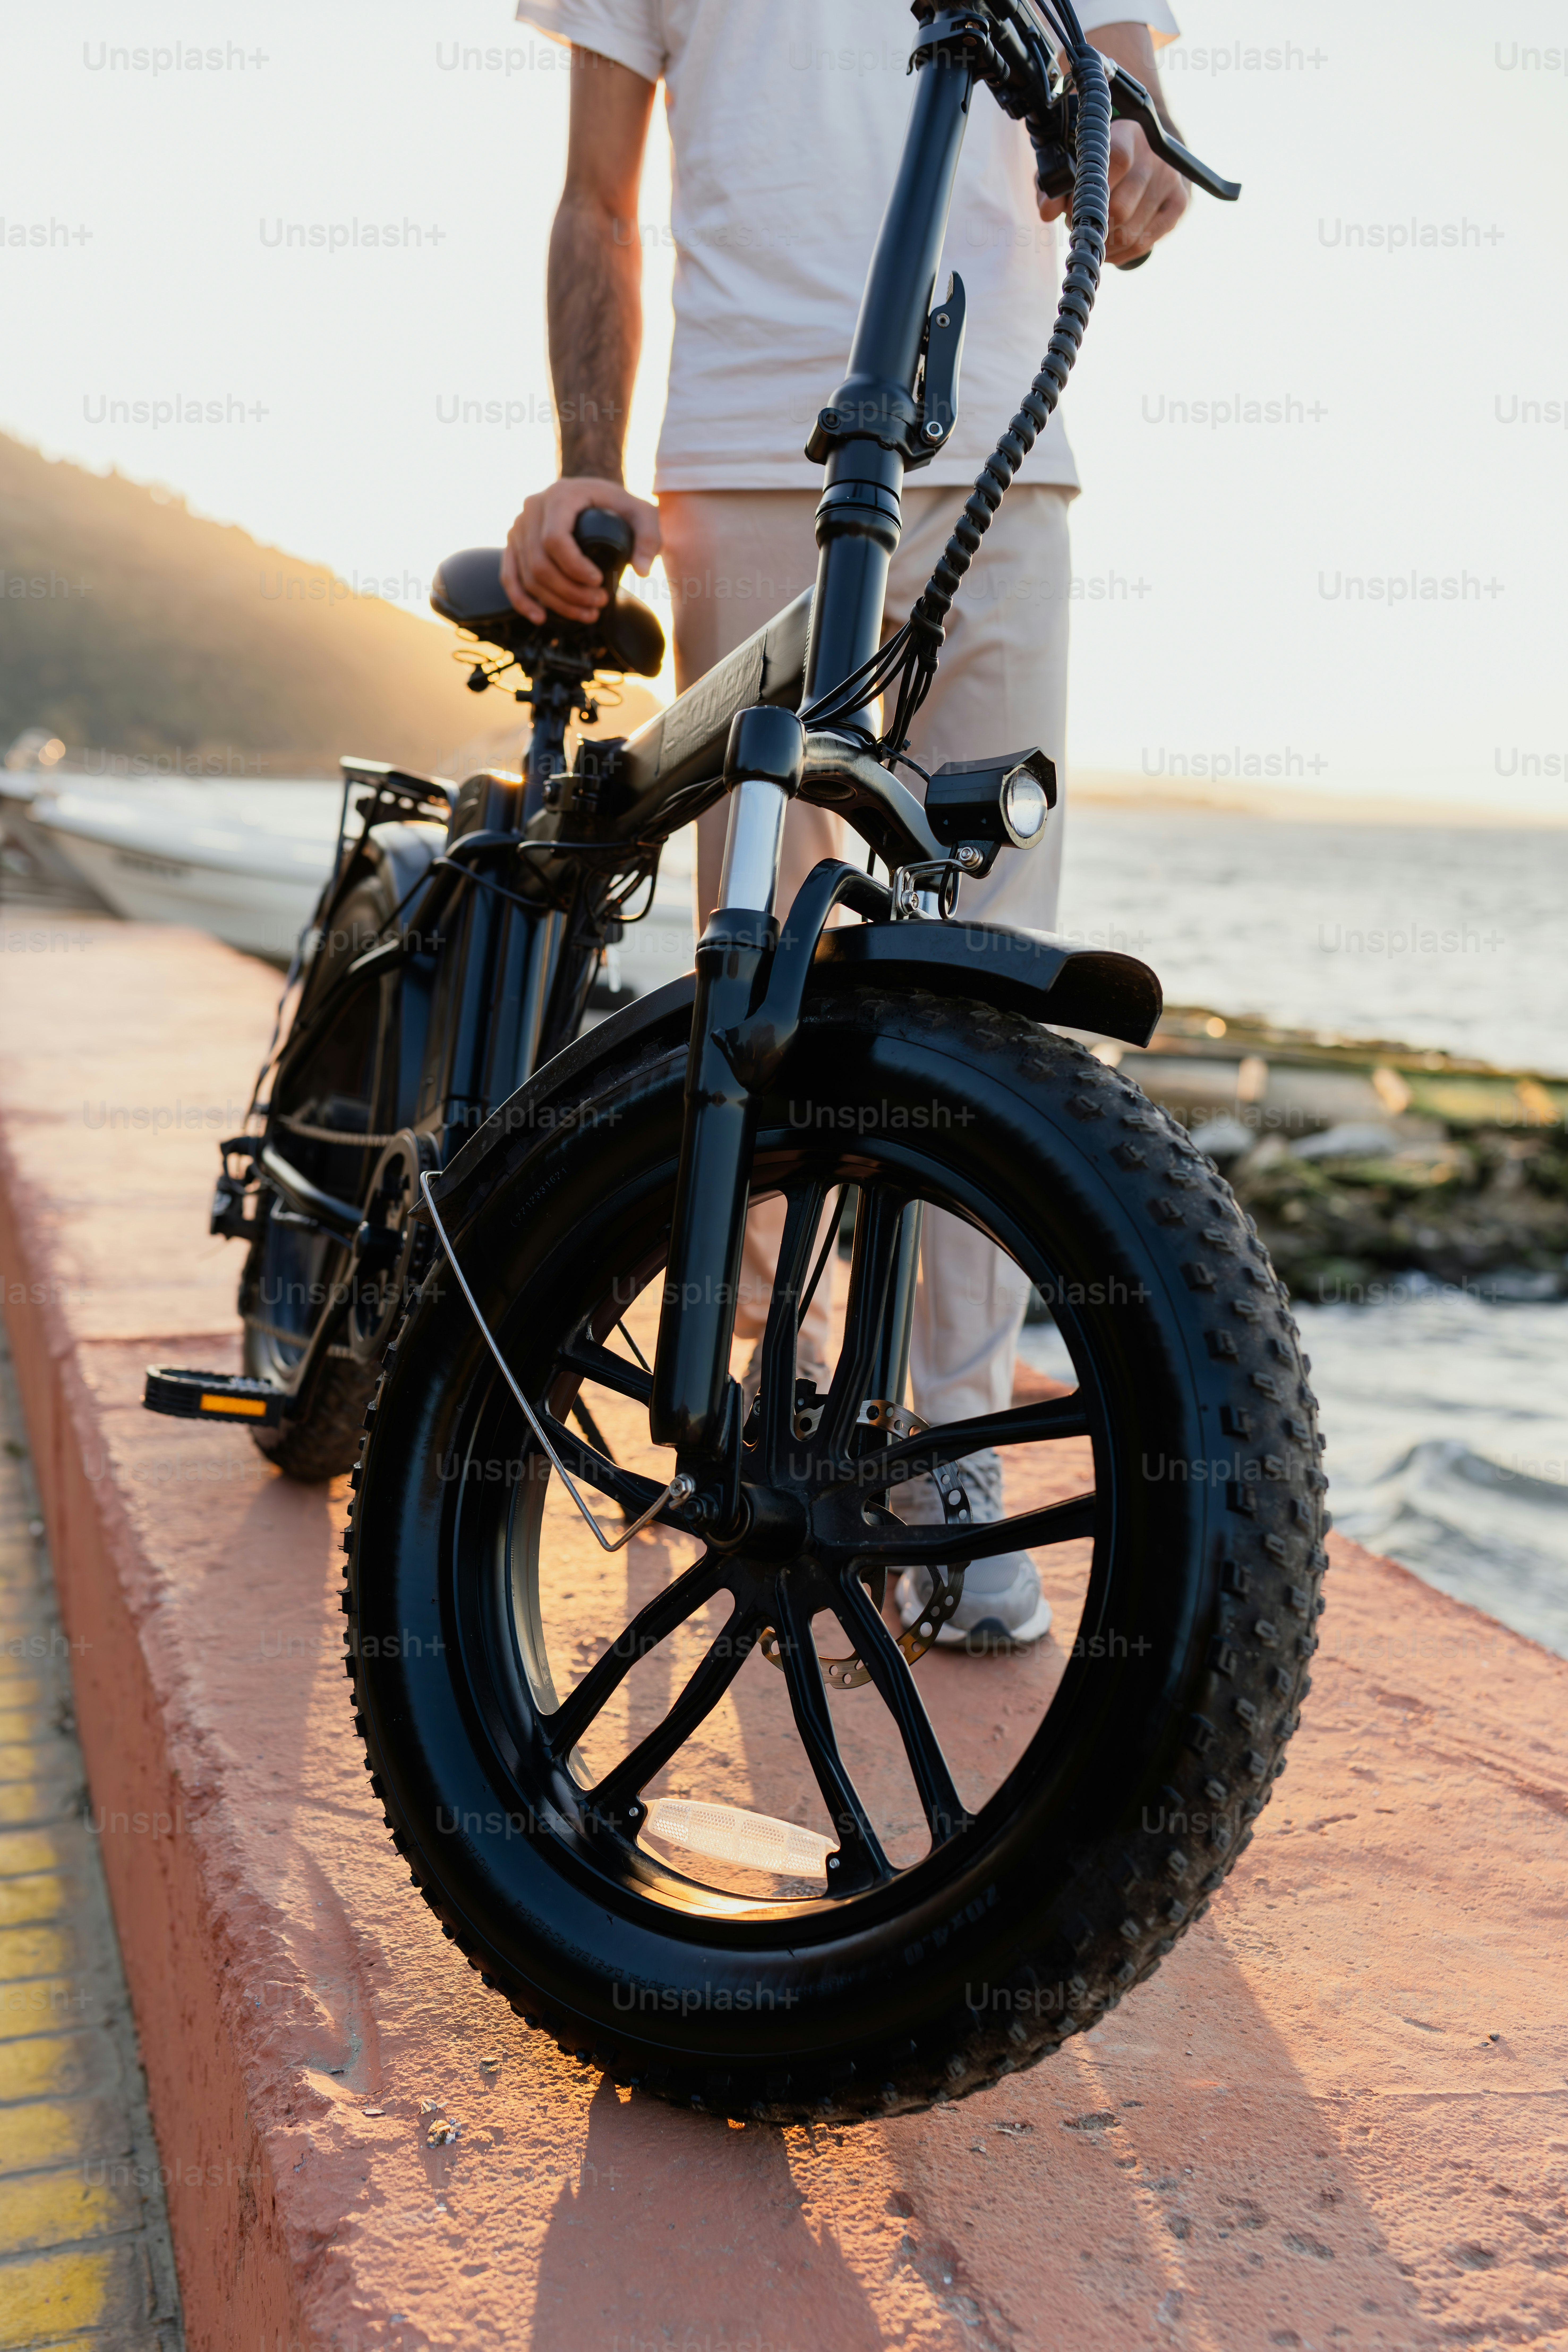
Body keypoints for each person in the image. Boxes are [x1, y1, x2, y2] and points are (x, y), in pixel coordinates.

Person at [503, 1, 1190, 1647]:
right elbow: (599, 197)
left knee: (983, 964)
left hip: (996, 460)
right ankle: (768, 1410)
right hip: (740, 462)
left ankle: (949, 1454)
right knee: (760, 961)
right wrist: (580, 470)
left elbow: (1129, 90)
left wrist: (1133, 150)